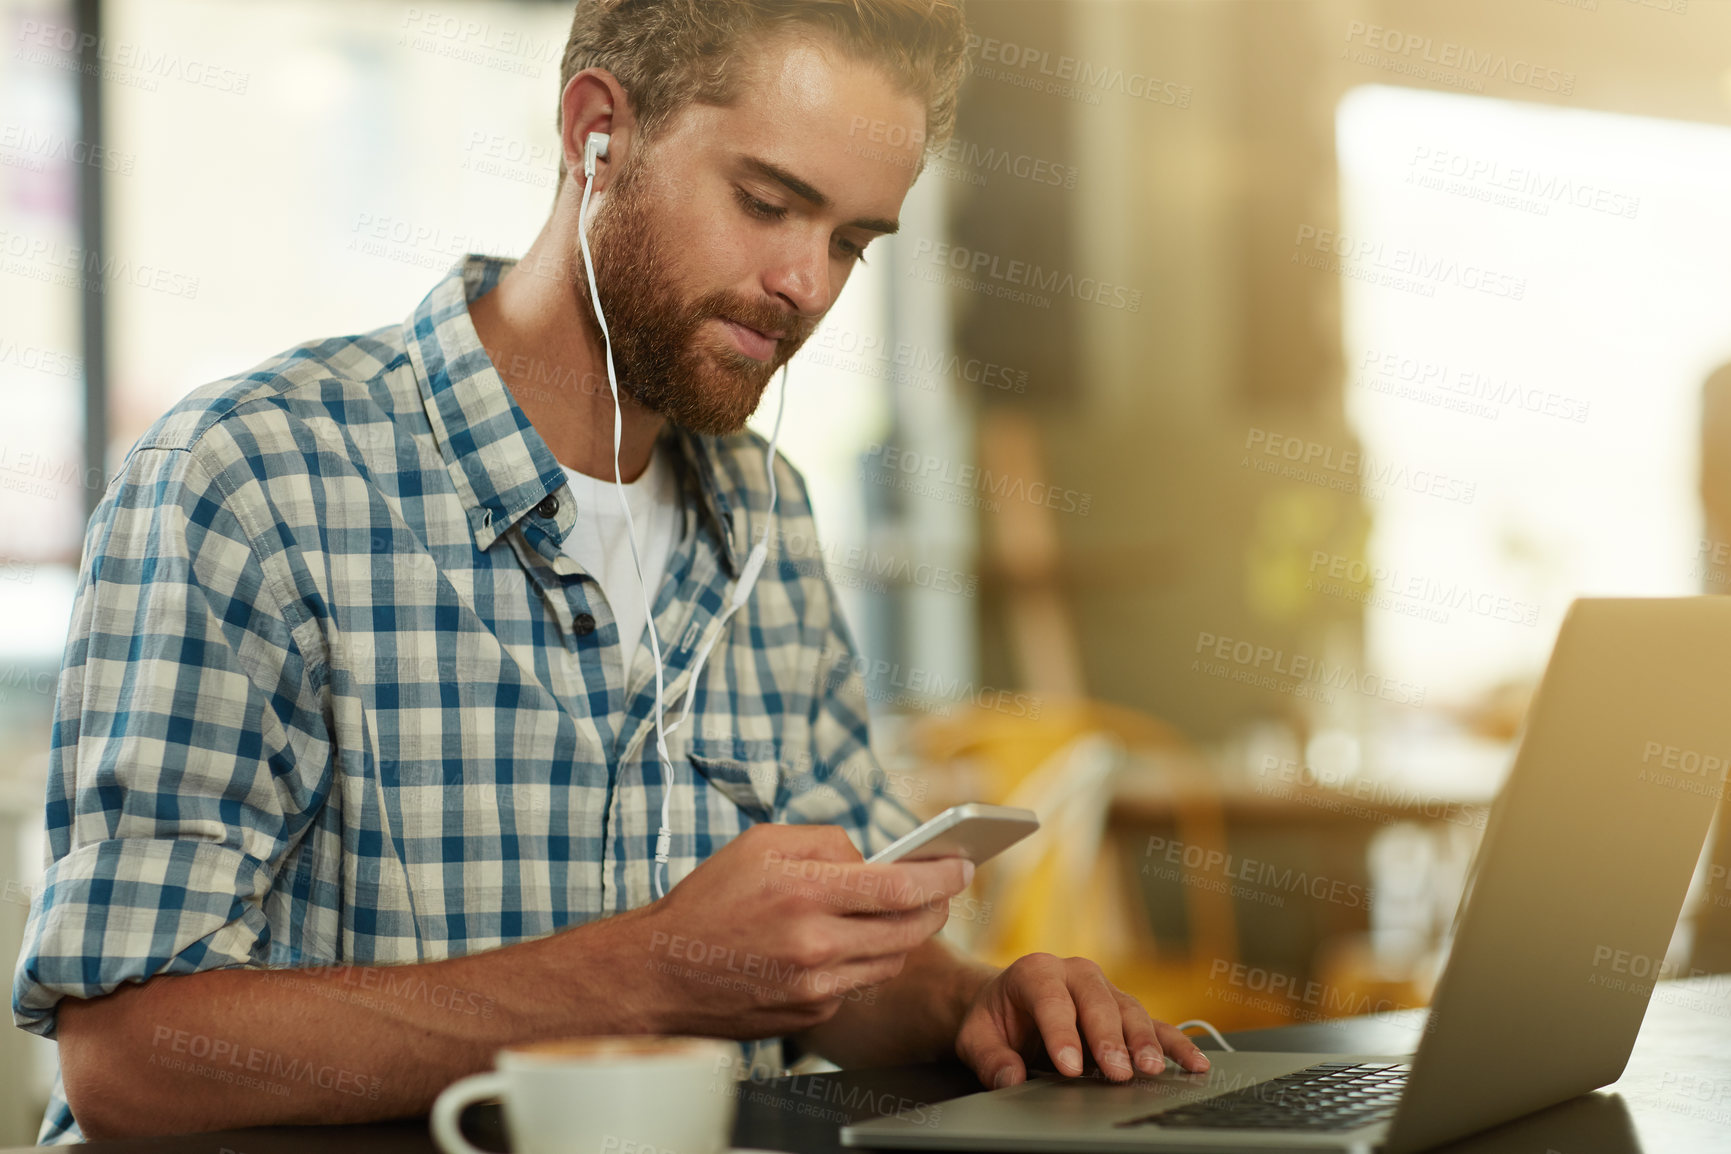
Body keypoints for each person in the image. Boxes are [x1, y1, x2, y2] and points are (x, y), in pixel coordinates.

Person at [12, 0, 1209, 1142]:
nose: (807, 284)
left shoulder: (766, 516)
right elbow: (127, 1052)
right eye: (766, 201)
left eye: (850, 240)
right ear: (598, 133)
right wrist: (651, 970)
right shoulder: (254, 477)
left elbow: (833, 963)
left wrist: (965, 1007)